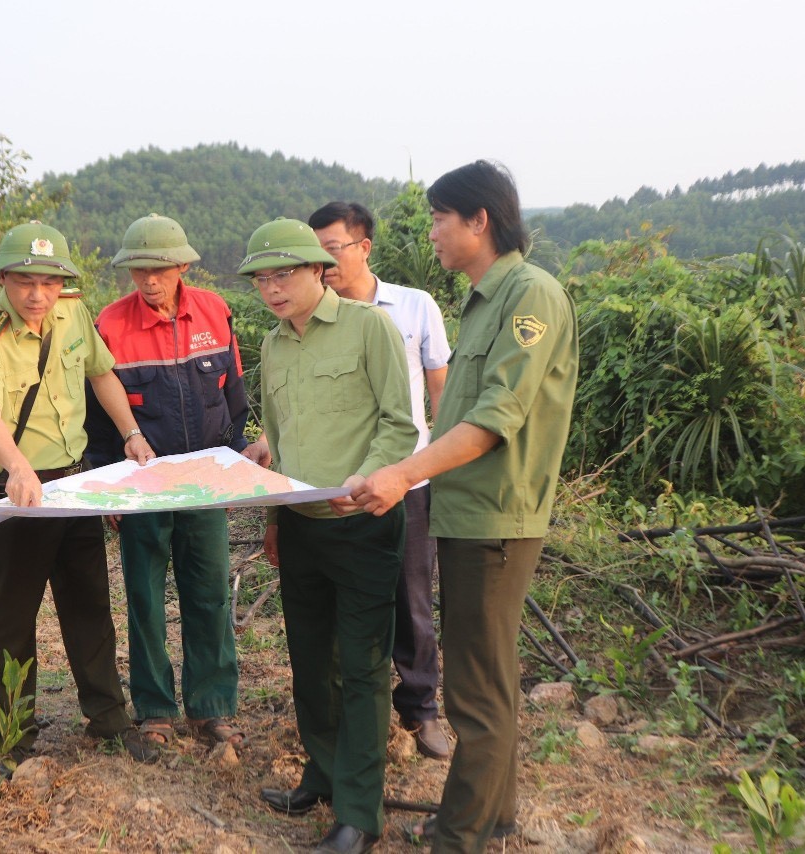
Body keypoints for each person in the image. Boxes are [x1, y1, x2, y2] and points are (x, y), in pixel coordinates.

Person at [346, 161, 579, 852]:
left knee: (476, 689)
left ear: (480, 220)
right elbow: (452, 415)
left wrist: (403, 474)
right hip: (468, 511)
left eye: (441, 220)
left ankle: (461, 834)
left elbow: (492, 418)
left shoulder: (530, 296)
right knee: (490, 678)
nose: (434, 234)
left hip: (496, 517)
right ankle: (491, 815)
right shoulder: (483, 301)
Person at [0, 221, 158, 768]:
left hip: (74, 483)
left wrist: (131, 434)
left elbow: (102, 374)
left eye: (48, 282)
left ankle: (108, 720)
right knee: (12, 621)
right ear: (4, 278)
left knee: (90, 604)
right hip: (19, 492)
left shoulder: (71, 312)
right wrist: (20, 468)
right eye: (24, 281)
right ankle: (11, 737)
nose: (37, 295)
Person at [244, 218, 418, 854]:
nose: (272, 288)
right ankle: (320, 773)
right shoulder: (272, 347)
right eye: (262, 278)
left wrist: (367, 478)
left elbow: (401, 427)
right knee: (311, 662)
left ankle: (359, 815)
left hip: (363, 524)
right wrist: (272, 519)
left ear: (320, 269)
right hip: (301, 525)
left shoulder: (370, 327)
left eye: (284, 273)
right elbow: (281, 441)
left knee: (366, 668)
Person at [84, 214, 255, 752]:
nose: (148, 280)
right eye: (138, 270)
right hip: (142, 486)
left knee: (208, 594)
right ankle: (155, 708)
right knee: (145, 596)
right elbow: (97, 418)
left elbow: (234, 398)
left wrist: (229, 471)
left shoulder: (214, 312)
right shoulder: (110, 324)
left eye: (159, 269)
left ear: (182, 265)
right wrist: (108, 485)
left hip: (205, 482)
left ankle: (211, 708)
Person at [310, 201, 452, 759]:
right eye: (313, 254)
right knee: (346, 601)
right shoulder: (310, 318)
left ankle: (421, 709)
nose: (322, 266)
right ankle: (351, 708)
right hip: (340, 489)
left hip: (408, 484)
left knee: (412, 598)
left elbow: (441, 393)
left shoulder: (414, 308)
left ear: (364, 247)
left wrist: (440, 463)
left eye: (332, 251)